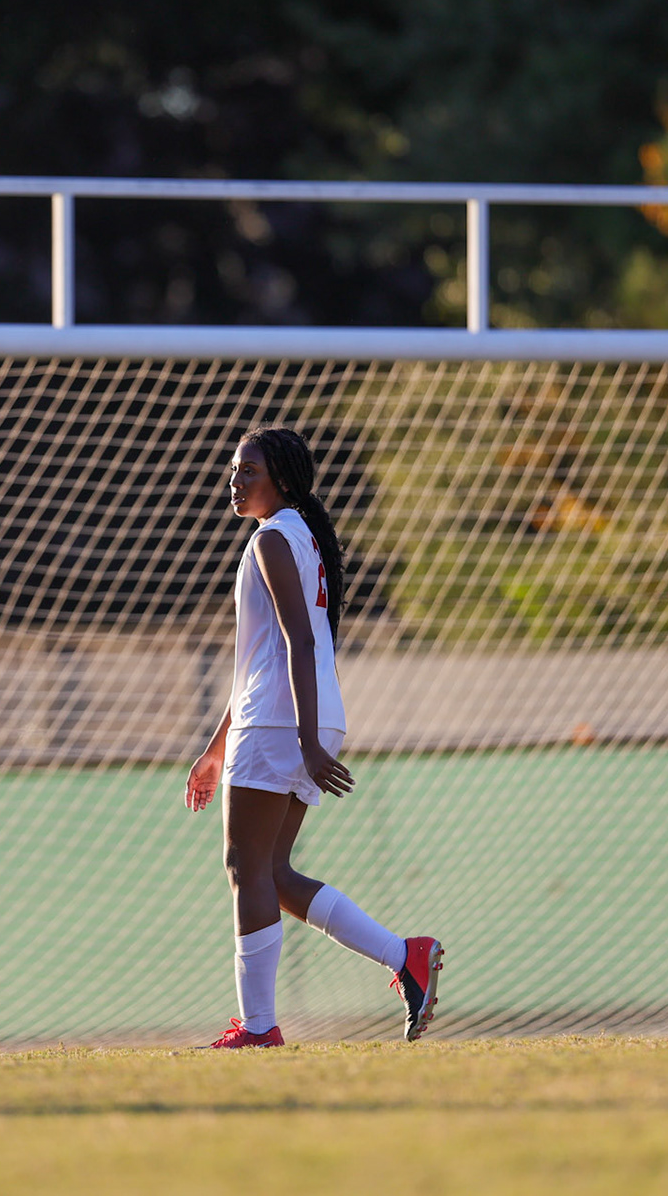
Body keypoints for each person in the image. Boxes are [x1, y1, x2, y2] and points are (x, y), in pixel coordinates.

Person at [187, 427, 443, 1048]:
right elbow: (265, 656)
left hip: (284, 720)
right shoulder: (298, 535)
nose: (236, 480)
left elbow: (297, 642)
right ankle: (405, 956)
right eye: (234, 469)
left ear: (281, 479)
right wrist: (219, 748)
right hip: (306, 714)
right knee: (272, 872)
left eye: (249, 470)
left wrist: (304, 741)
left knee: (244, 865)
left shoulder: (273, 538)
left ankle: (258, 1027)